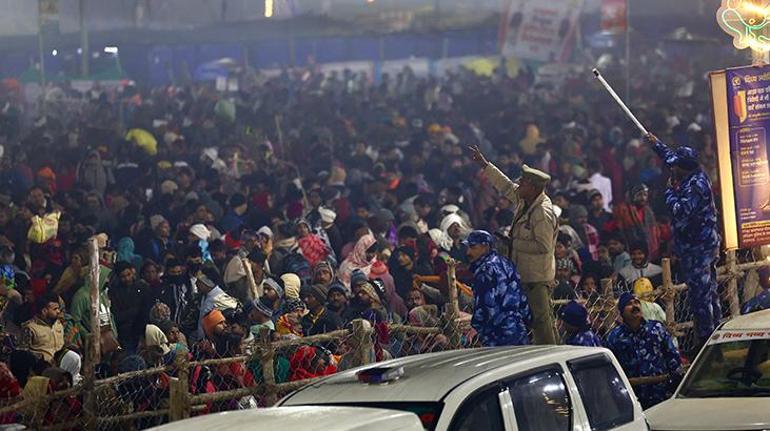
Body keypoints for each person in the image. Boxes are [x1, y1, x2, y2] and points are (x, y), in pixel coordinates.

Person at [469, 145, 557, 344]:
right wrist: (485, 165)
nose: (519, 184)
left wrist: (514, 243)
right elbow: (506, 186)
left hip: (536, 278)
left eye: (523, 182)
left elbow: (543, 246)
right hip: (524, 273)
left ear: (533, 188)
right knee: (531, 322)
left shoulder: (542, 212)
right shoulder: (527, 200)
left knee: (541, 323)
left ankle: (550, 358)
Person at [647, 133, 721, 353]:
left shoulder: (695, 186)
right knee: (709, 292)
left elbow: (681, 212)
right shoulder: (691, 173)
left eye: (676, 166)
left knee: (701, 296)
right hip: (702, 245)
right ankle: (714, 334)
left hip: (699, 249)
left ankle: (708, 343)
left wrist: (669, 191)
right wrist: (656, 144)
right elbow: (670, 157)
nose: (672, 167)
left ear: (683, 168)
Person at [606, 293, 682, 409]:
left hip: (662, 393)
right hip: (633, 398)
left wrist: (675, 383)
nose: (635, 306)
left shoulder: (656, 328)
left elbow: (672, 355)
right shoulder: (615, 337)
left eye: (637, 302)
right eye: (629, 304)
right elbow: (612, 369)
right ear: (622, 312)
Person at [464, 230, 531, 346]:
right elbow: (521, 297)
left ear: (485, 247)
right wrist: (527, 320)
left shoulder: (485, 271)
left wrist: (476, 327)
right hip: (518, 329)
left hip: (496, 334)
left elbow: (485, 306)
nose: (468, 252)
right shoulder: (506, 263)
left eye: (472, 247)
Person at [20, 292, 64, 363]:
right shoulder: (30, 328)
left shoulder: (58, 324)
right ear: (44, 311)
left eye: (58, 308)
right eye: (55, 309)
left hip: (61, 367)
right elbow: (23, 353)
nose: (58, 311)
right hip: (41, 369)